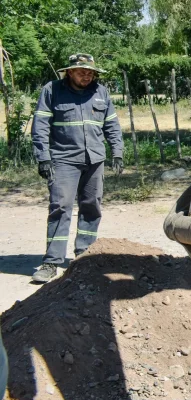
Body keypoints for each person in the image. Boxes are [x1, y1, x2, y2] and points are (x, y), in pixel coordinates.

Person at [30, 53, 124, 283]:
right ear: (69, 72)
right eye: (82, 71)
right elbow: (40, 125)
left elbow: (112, 125)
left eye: (90, 72)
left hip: (94, 159)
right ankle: (52, 261)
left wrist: (118, 152)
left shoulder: (100, 92)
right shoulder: (52, 90)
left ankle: (85, 255)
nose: (87, 75)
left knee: (92, 206)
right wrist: (43, 157)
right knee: (60, 206)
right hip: (63, 159)